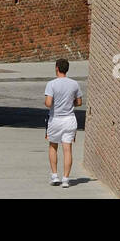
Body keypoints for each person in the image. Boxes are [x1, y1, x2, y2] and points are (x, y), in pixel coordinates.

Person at [44, 58, 83, 187]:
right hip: (69, 120)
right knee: (67, 149)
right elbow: (79, 102)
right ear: (67, 69)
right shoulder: (74, 84)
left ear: (56, 68)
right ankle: (66, 179)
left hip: (55, 119)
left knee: (53, 146)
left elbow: (48, 103)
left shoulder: (51, 84)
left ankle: (55, 176)